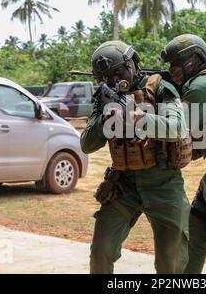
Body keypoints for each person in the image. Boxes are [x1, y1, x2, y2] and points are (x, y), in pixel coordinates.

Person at [80, 40, 192, 274]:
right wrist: (104, 120)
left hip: (164, 184)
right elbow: (86, 144)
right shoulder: (104, 97)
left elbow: (178, 128)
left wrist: (138, 118)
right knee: (101, 251)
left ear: (132, 64)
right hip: (123, 185)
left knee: (170, 262)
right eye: (105, 77)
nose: (112, 80)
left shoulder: (160, 87)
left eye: (117, 72)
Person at [161, 34, 206, 274]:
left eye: (175, 63)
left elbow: (180, 137)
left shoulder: (198, 88)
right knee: (194, 235)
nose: (172, 70)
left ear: (192, 60)